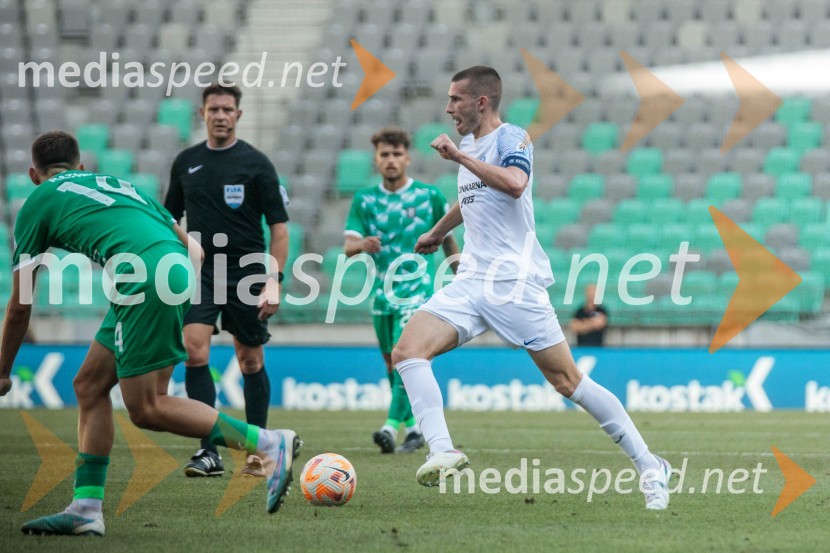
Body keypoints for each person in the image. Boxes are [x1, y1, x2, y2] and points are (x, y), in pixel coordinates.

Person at [391, 66, 671, 509]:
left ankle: (651, 466)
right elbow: (472, 198)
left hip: (513, 282)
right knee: (407, 352)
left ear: (481, 101)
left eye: (455, 99)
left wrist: (460, 158)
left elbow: (514, 184)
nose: (448, 108)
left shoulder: (512, 137)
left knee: (568, 381)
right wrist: (438, 231)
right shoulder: (470, 146)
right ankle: (442, 450)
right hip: (472, 279)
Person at [0, 131, 300, 536]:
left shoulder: (38, 200)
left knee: (147, 407)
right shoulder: (118, 184)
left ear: (34, 175)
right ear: (81, 167)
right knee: (89, 385)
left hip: (141, 279)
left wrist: (3, 370)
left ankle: (267, 444)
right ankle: (85, 508)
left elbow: (20, 304)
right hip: (170, 273)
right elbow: (196, 251)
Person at [164, 83, 289, 478]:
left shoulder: (256, 164)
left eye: (227, 109)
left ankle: (259, 449)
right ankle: (208, 451)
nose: (220, 115)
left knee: (250, 358)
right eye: (213, 109)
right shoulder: (186, 162)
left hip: (247, 271)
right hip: (201, 272)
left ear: (239, 115)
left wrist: (274, 279)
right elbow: (169, 219)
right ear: (202, 113)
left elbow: (279, 228)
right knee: (194, 350)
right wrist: (182, 256)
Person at [344, 127, 459, 454]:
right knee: (391, 364)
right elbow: (348, 247)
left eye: (396, 154)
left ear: (407, 158)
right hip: (382, 295)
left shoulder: (429, 196)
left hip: (418, 292)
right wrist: (361, 246)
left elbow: (448, 240)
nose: (391, 160)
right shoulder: (365, 200)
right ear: (376, 160)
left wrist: (461, 275)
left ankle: (389, 427)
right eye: (385, 154)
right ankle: (414, 428)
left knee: (404, 356)